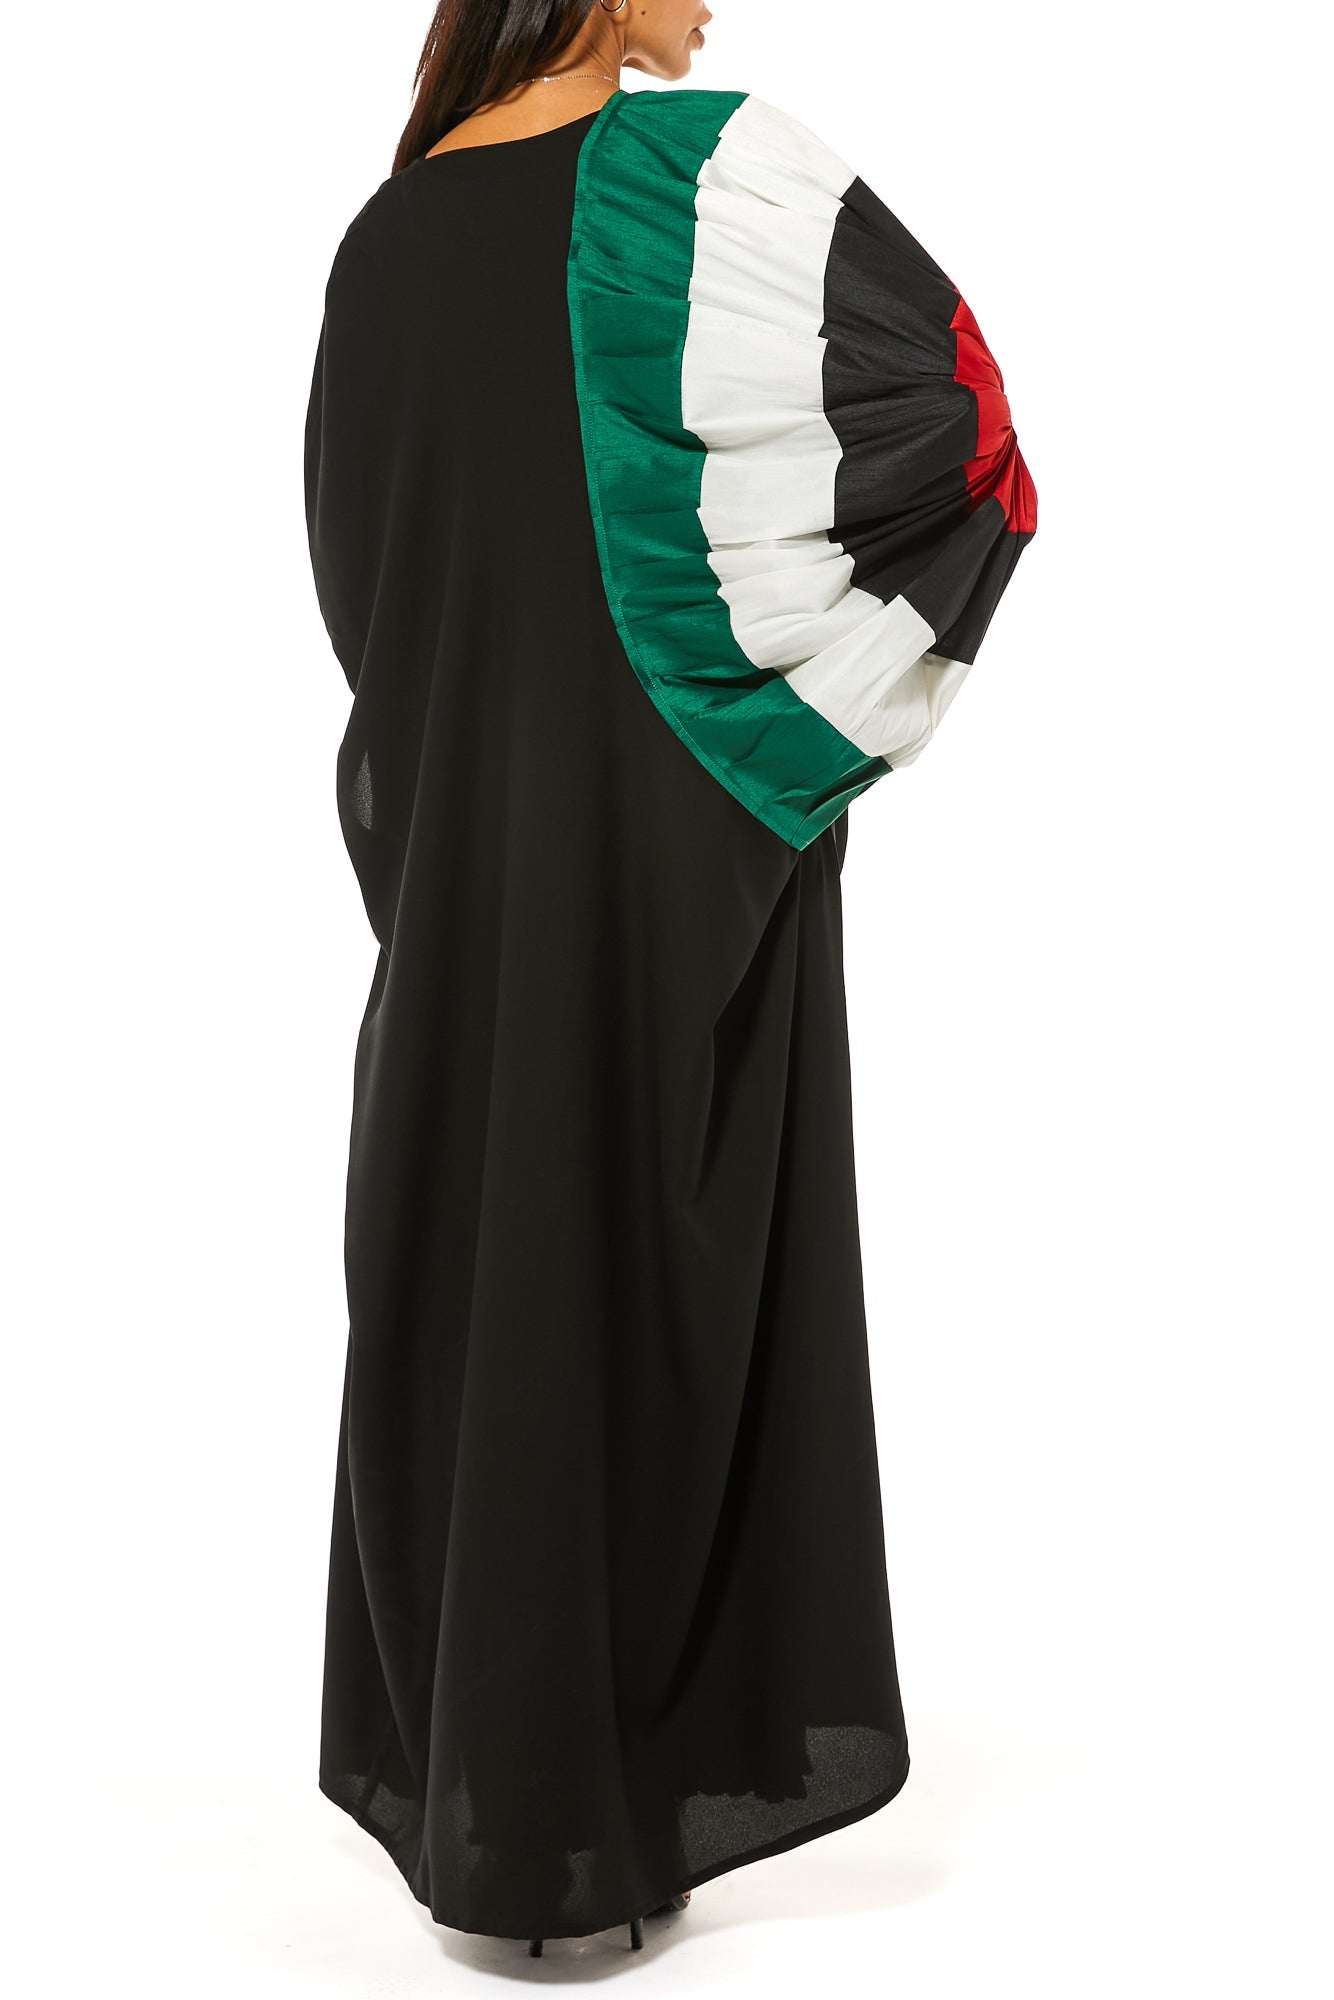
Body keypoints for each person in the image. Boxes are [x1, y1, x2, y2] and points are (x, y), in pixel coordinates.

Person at [303, 0, 1036, 1958]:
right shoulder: (695, 180)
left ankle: (503, 1826)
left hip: (459, 861)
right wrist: (769, 734)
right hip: (664, 846)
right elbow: (965, 435)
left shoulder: (381, 241)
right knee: (651, 1275)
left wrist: (447, 800)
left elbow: (363, 589)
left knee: (481, 1277)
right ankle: (609, 1812)